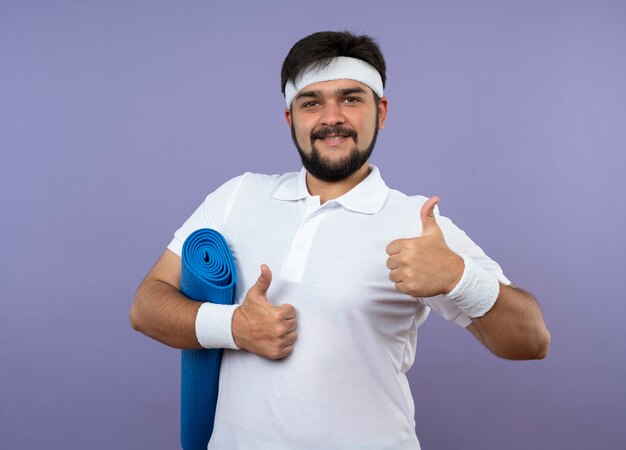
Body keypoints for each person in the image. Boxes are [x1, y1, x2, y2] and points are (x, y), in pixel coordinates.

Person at [130, 31, 551, 449]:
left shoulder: (416, 222)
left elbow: (531, 340)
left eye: (351, 98)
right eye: (311, 102)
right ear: (290, 118)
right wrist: (235, 327)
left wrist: (459, 277)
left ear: (381, 111)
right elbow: (147, 306)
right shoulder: (237, 196)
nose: (331, 117)